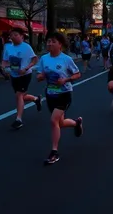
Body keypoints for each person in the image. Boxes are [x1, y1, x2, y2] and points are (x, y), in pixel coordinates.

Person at [37, 32, 83, 165]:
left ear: (60, 45)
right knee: (60, 123)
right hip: (50, 94)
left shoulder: (66, 59)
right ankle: (76, 123)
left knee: (53, 121)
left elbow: (77, 74)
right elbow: (39, 76)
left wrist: (66, 79)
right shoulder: (44, 58)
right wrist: (41, 76)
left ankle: (54, 152)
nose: (49, 44)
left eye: (53, 41)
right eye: (48, 41)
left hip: (64, 94)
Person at [1, 28, 42, 130]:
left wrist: (26, 68)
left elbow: (35, 59)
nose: (13, 36)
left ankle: (18, 119)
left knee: (19, 95)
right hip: (14, 75)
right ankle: (36, 99)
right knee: (21, 96)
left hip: (25, 75)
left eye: (16, 34)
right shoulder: (8, 47)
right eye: (12, 35)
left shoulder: (26, 47)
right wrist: (4, 68)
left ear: (22, 37)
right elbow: (5, 60)